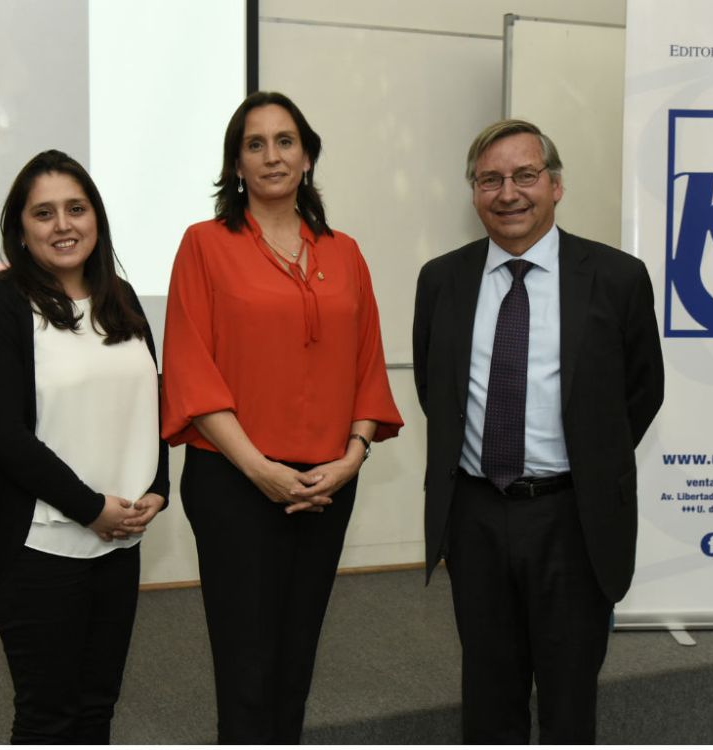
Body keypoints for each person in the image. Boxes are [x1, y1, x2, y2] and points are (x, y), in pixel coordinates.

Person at [161, 91, 403, 744]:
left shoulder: (345, 252)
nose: (272, 155)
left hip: (328, 485)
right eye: (255, 143)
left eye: (285, 140)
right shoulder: (205, 245)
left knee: (296, 660)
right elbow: (191, 367)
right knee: (247, 668)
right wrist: (258, 468)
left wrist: (352, 459)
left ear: (307, 156)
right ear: (236, 164)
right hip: (232, 481)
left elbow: (368, 364)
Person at [412, 119, 664, 743]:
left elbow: (642, 391)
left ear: (555, 185)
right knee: (488, 693)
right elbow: (434, 391)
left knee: (569, 696)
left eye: (525, 175)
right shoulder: (441, 279)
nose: (508, 193)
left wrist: (589, 459)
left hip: (572, 518)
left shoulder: (617, 277)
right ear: (473, 193)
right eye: (489, 179)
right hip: (474, 514)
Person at [0, 149, 169, 745]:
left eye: (76, 208)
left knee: (97, 708)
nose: (63, 224)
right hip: (36, 547)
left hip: (117, 541)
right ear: (20, 230)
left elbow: (151, 399)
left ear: (96, 218)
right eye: (43, 213)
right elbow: (1, 435)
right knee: (49, 716)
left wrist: (156, 488)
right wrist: (88, 507)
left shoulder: (121, 298)